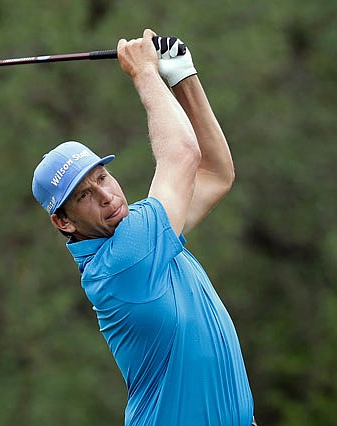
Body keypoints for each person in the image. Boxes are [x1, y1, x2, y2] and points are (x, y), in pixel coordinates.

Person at [31, 29, 256, 426]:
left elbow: (215, 174)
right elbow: (183, 156)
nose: (103, 195)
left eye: (101, 177)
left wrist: (183, 77)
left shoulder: (147, 236)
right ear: (63, 222)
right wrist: (145, 73)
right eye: (83, 196)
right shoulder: (124, 260)